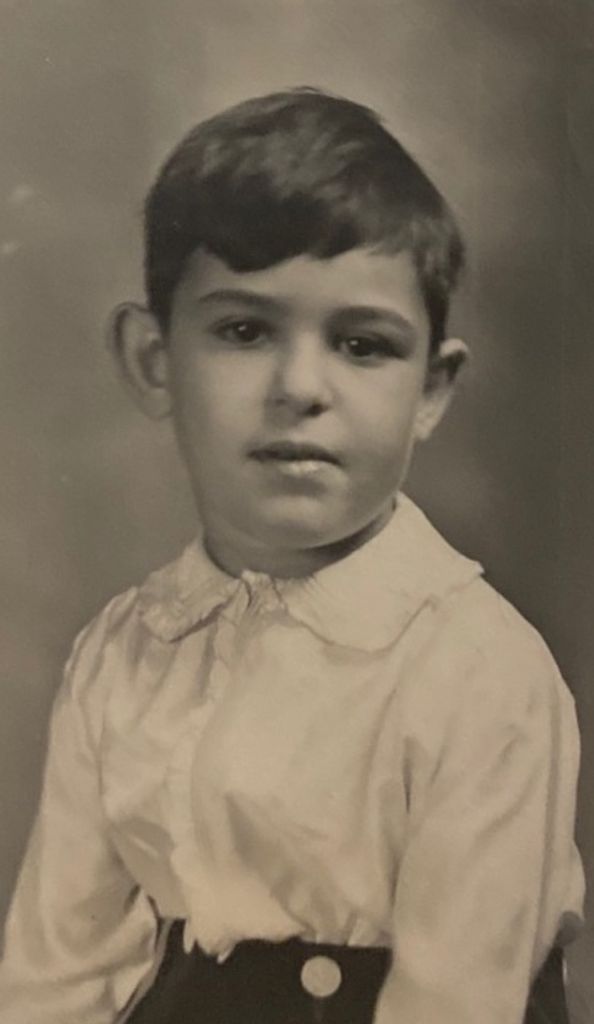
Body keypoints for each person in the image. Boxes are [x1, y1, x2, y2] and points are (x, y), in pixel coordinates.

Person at [0, 88, 584, 1024]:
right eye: (244, 331)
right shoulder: (122, 653)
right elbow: (54, 981)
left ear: (432, 390)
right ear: (154, 359)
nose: (300, 386)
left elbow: (457, 1000)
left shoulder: (480, 673)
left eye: (362, 344)